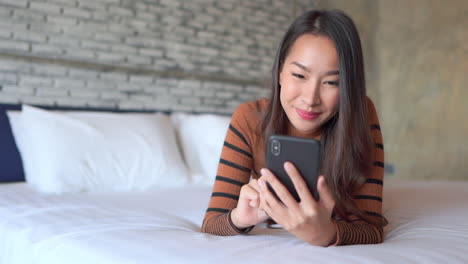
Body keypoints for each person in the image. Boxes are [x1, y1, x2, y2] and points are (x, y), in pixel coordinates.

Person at [201, 9, 388, 246]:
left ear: (348, 87)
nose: (311, 99)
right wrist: (240, 218)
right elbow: (211, 223)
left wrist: (326, 234)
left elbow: (371, 229)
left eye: (331, 82)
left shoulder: (361, 113)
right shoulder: (249, 118)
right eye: (299, 75)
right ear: (280, 72)